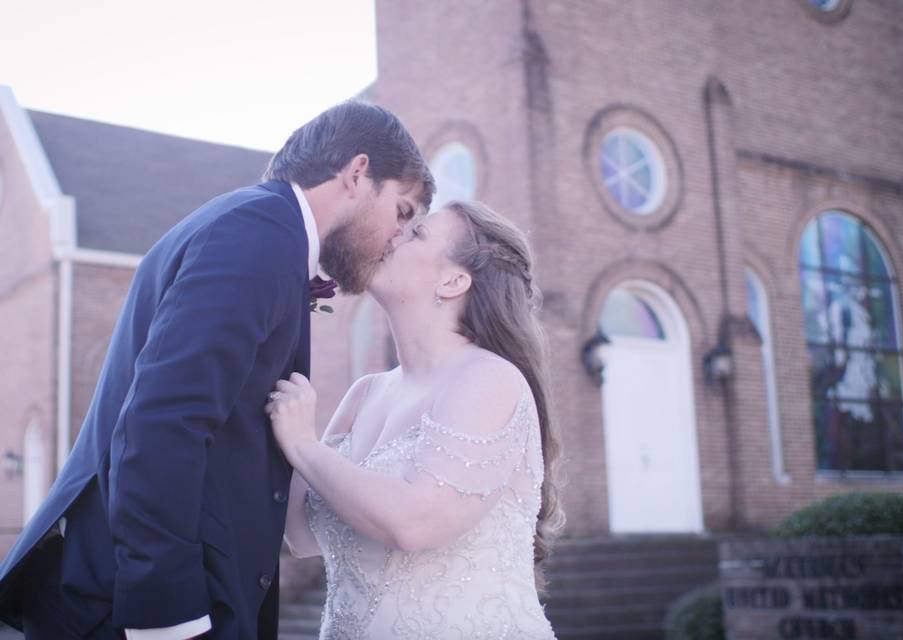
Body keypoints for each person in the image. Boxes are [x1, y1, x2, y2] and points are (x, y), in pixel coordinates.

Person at [0, 101, 434, 639]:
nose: (399, 236)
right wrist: (171, 621)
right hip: (148, 611)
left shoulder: (256, 228)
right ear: (358, 173)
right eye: (404, 210)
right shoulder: (259, 235)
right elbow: (161, 423)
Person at [268, 200, 563, 639]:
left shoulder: (490, 379)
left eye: (418, 234)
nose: (394, 236)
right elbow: (303, 537)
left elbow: (414, 524)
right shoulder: (365, 393)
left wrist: (304, 446)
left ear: (453, 280)